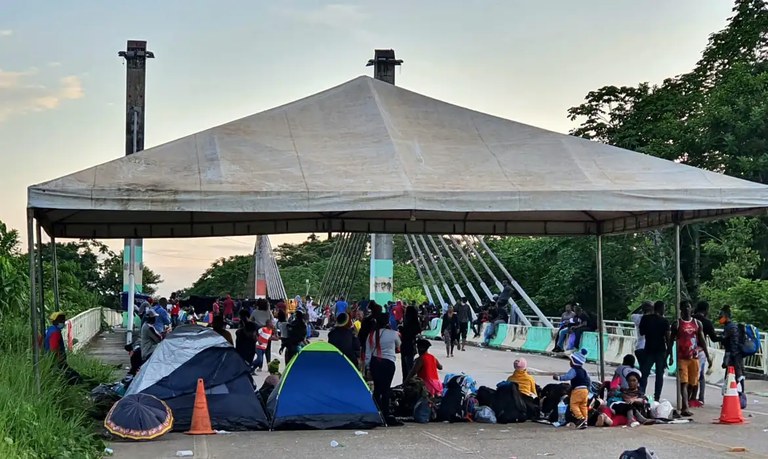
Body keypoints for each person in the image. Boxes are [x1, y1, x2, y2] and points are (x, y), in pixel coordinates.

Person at [668, 300, 711, 417]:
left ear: (691, 308)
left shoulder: (697, 323)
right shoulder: (677, 324)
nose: (687, 309)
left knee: (693, 383)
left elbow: (702, 340)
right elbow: (671, 341)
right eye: (685, 307)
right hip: (682, 358)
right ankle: (685, 406)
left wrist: (708, 355)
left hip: (694, 357)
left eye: (689, 307)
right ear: (681, 309)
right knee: (684, 383)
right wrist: (670, 356)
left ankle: (686, 403)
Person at [365, 310, 401, 425]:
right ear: (387, 321)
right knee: (386, 389)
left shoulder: (371, 335)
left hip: (375, 362)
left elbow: (368, 353)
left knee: (377, 389)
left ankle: (375, 411)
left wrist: (368, 368)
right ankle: (386, 413)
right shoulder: (394, 334)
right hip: (388, 363)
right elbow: (399, 346)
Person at [638, 301, 670, 401]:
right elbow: (668, 339)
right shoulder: (664, 321)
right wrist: (670, 354)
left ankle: (641, 393)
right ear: (661, 309)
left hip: (649, 349)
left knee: (644, 373)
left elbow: (642, 332)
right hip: (661, 350)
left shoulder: (645, 319)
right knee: (659, 375)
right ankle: (657, 397)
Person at [553, 349, 591, 429]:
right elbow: (588, 381)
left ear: (574, 361)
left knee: (574, 405)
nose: (569, 362)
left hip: (577, 390)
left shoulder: (574, 370)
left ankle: (580, 418)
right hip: (585, 390)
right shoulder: (584, 371)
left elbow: (568, 376)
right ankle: (585, 421)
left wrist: (558, 378)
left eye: (571, 360)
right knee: (583, 406)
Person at [692, 300, 719, 405]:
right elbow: (714, 338)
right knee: (700, 375)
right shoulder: (707, 322)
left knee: (689, 374)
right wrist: (725, 338)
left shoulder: (690, 319)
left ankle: (689, 396)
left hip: (688, 350)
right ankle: (700, 397)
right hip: (701, 351)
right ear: (706, 310)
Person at [718, 305, 745, 393]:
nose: (719, 318)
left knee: (736, 374)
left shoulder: (730, 327)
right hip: (736, 353)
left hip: (734, 354)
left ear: (726, 316)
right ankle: (735, 392)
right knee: (736, 373)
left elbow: (725, 339)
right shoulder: (731, 326)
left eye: (721, 316)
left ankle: (738, 393)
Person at [399, 305, 422, 384]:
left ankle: (406, 382)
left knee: (406, 367)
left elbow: (406, 334)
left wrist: (401, 329)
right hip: (412, 346)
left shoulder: (407, 323)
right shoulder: (416, 323)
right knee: (410, 366)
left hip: (405, 346)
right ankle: (410, 383)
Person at [632, 301, 653, 374]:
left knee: (642, 369)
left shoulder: (637, 318)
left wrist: (641, 306)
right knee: (645, 370)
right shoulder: (653, 319)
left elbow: (633, 313)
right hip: (649, 347)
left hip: (639, 347)